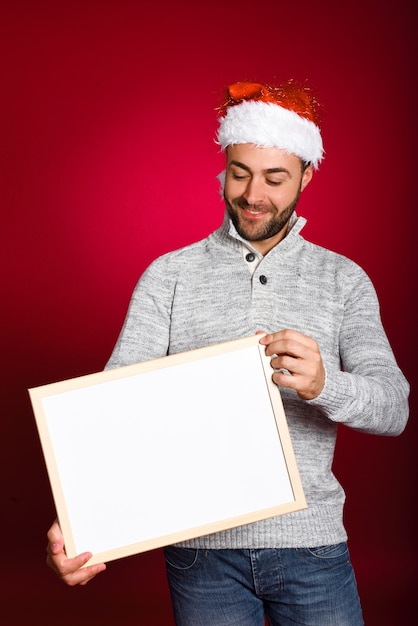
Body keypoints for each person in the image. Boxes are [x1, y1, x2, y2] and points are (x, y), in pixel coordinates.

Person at [46, 80, 410, 625]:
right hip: (200, 554)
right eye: (239, 173)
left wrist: (323, 384)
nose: (252, 194)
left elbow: (394, 409)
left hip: (311, 547)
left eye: (275, 178)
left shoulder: (344, 280)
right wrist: (80, 520)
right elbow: (115, 408)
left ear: (308, 175)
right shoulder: (168, 276)